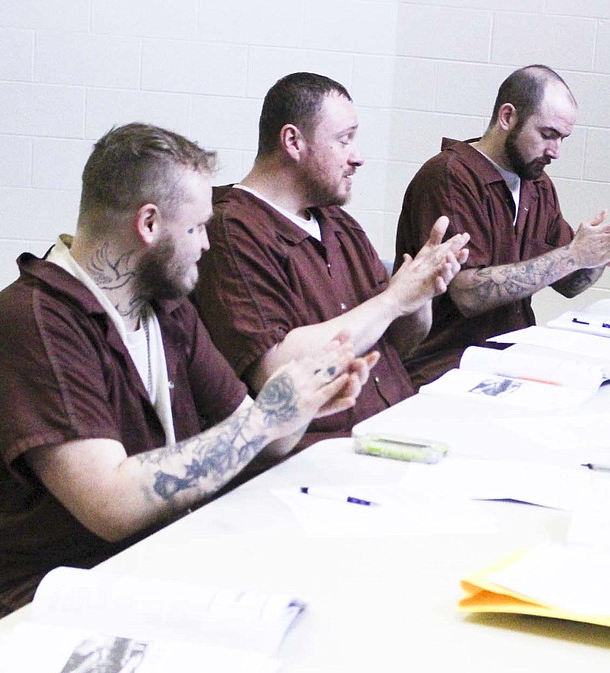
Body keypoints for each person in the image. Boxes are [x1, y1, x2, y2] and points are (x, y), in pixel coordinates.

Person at [0, 123, 374, 644]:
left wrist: (299, 403)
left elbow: (258, 442)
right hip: (26, 602)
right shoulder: (35, 323)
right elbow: (111, 503)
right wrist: (263, 418)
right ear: (149, 224)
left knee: (321, 605)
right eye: (198, 228)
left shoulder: (164, 309)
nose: (208, 244)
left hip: (139, 562)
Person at [193, 72, 468, 449]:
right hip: (317, 454)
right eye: (344, 139)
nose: (358, 157)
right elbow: (276, 371)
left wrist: (419, 296)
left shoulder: (339, 223)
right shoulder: (233, 230)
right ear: (293, 141)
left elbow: (395, 346)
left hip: (393, 427)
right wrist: (392, 300)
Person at [395, 64, 610, 387]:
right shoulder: (450, 176)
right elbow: (468, 294)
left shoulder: (537, 185)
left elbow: (569, 284)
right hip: (446, 363)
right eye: (548, 135)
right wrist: (575, 255)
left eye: (563, 138)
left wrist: (599, 258)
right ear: (507, 117)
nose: (555, 151)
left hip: (512, 354)